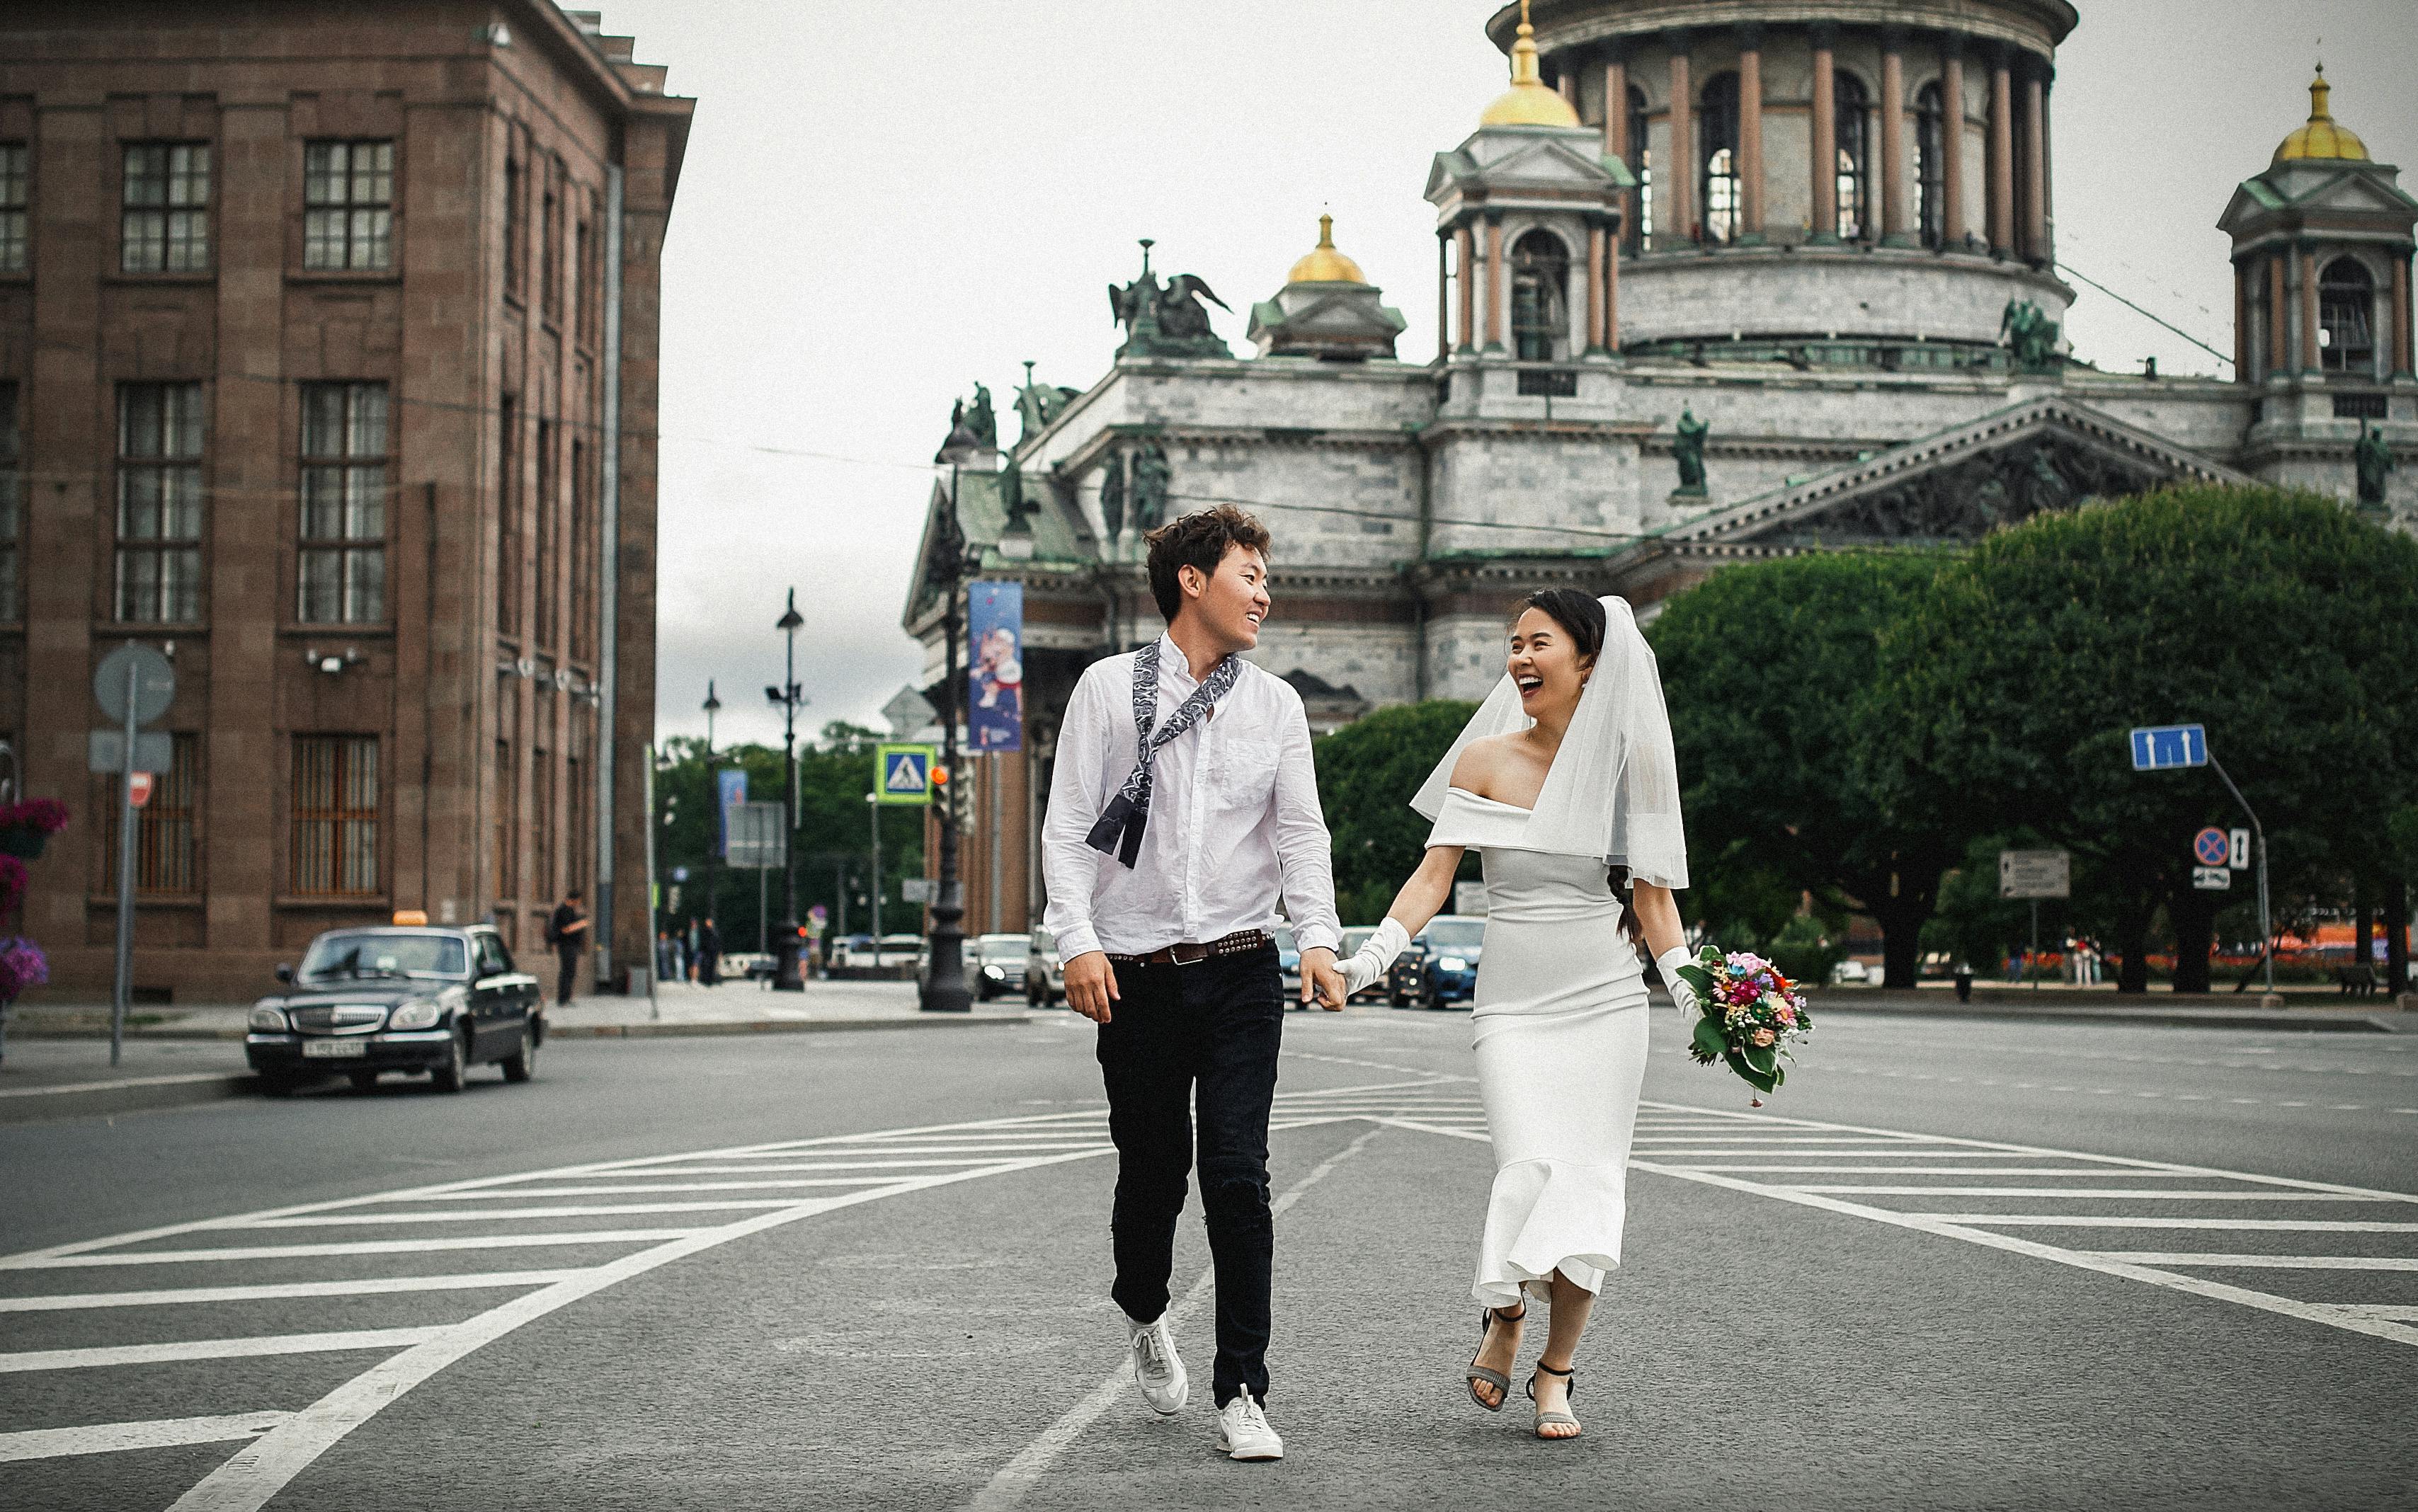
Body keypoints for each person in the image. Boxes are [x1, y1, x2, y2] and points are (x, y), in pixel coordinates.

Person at [1335, 589, 1694, 1442]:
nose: (1520, 660)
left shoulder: (1629, 769)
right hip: (1513, 1006)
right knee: (1529, 1163)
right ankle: (1504, 1313)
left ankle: (1555, 1373)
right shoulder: (1484, 759)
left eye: (1540, 644)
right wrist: (1372, 959)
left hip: (1606, 1002)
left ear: (1589, 663)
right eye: (1513, 645)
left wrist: (1698, 1000)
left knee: (1592, 1183)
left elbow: (1655, 905)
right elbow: (1433, 877)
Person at [1041, 504, 1346, 1463]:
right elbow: (1065, 828)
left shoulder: (1277, 706)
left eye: (1265, 577)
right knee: (1151, 1174)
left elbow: (1299, 834)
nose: (1264, 592)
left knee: (1237, 1176)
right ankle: (1142, 1307)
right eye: (1247, 574)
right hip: (1131, 975)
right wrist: (1075, 940)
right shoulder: (1103, 689)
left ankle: (1243, 1390)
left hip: (1240, 969)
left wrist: (1319, 938)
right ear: (1191, 580)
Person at [546, 889, 588, 1009]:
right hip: (566, 945)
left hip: (572, 945)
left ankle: (567, 997)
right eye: (578, 900)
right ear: (574, 899)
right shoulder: (563, 910)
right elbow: (565, 929)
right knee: (566, 972)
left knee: (571, 972)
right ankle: (563, 999)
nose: (579, 903)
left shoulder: (570, 910)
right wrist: (580, 925)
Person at [695, 916, 722, 987]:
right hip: (706, 952)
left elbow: (718, 942)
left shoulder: (715, 931)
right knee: (706, 966)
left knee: (713, 966)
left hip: (714, 952)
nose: (708, 924)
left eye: (709, 922)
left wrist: (719, 951)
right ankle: (706, 981)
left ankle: (711, 980)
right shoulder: (704, 931)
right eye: (707, 922)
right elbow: (702, 942)